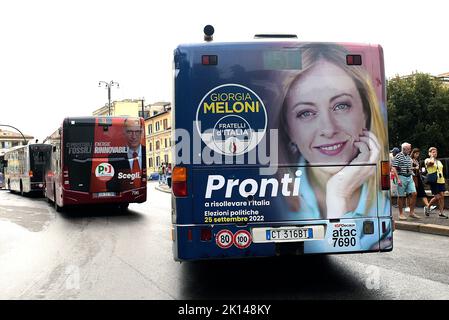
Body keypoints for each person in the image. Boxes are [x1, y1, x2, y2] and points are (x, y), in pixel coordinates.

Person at [278, 43, 389, 220]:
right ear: (288, 129)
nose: (328, 129)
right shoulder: (274, 200)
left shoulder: (384, 200)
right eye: (305, 113)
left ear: (365, 112)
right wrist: (339, 196)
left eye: (341, 106)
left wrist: (338, 195)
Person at [107, 118, 146, 190]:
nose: (134, 136)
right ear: (124, 133)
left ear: (142, 133)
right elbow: (110, 184)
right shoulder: (114, 156)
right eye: (129, 132)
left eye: (137, 132)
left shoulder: (145, 152)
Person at [391, 142, 420, 220]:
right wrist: (398, 179)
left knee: (414, 193)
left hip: (409, 177)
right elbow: (394, 168)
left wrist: (412, 172)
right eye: (409, 149)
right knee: (401, 196)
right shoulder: (398, 156)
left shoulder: (408, 157)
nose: (410, 150)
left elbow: (409, 167)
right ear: (404, 149)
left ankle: (411, 212)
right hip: (401, 176)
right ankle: (400, 214)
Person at [410, 148, 436, 215]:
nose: (417, 155)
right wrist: (414, 168)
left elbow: (418, 169)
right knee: (412, 194)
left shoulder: (417, 160)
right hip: (413, 178)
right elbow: (408, 168)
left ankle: (428, 206)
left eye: (418, 154)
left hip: (418, 177)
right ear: (413, 153)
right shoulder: (410, 160)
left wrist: (420, 170)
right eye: (416, 154)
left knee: (422, 192)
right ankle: (410, 208)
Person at [424, 147, 448, 219]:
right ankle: (428, 207)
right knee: (437, 197)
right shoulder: (427, 160)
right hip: (434, 181)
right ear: (429, 153)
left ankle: (441, 213)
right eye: (433, 152)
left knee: (442, 197)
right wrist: (432, 157)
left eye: (436, 152)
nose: (435, 153)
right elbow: (430, 163)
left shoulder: (439, 161)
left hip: (441, 180)